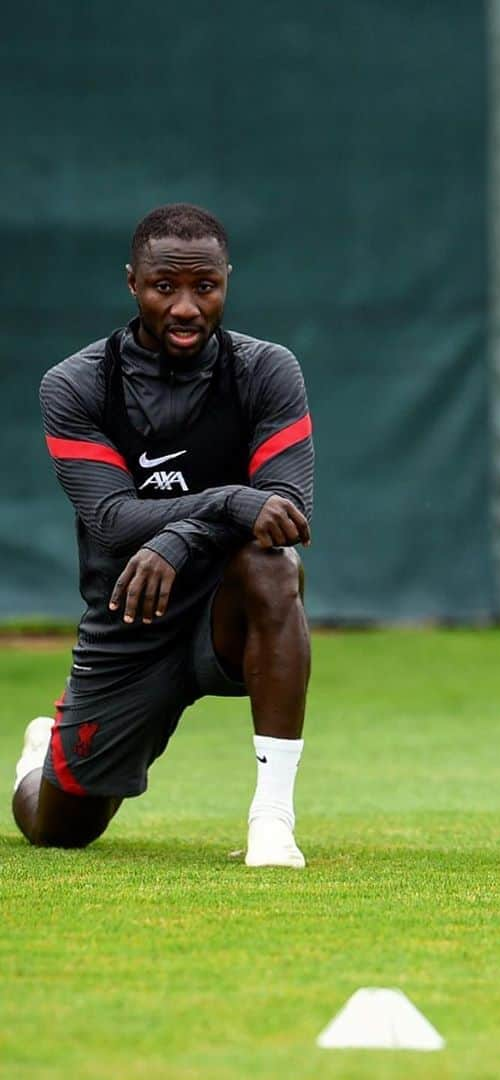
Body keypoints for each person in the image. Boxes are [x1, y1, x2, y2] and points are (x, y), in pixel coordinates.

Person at [11, 203, 315, 868]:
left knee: (274, 564)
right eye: (163, 287)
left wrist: (178, 540)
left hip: (224, 610)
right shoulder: (75, 385)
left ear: (226, 281)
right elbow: (113, 519)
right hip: (129, 620)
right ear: (131, 283)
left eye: (204, 287)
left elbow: (288, 508)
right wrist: (235, 499)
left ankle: (272, 820)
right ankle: (39, 757)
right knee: (61, 828)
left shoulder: (267, 372)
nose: (185, 307)